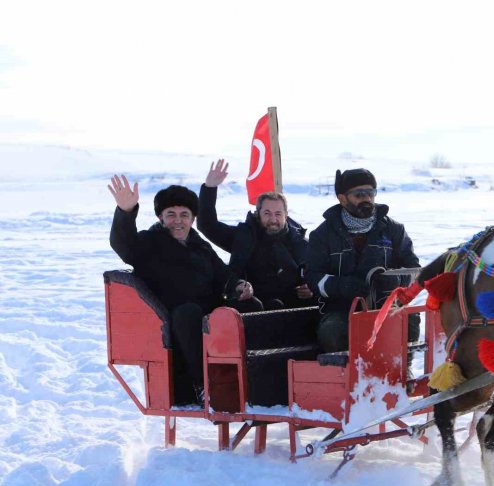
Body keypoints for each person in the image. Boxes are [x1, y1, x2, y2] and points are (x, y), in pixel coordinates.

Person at [107, 175, 254, 406]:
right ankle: (203, 386)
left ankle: (254, 379)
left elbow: (222, 275)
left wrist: (238, 287)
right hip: (173, 319)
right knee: (188, 314)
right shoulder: (149, 243)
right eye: (171, 215)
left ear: (192, 219)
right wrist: (125, 212)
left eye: (184, 215)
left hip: (207, 311)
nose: (178, 221)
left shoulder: (200, 245)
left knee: (251, 308)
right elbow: (123, 246)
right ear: (160, 217)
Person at [305, 168, 420, 353]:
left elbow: (413, 269)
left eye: (370, 193)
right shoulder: (322, 235)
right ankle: (346, 378)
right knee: (333, 330)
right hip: (341, 310)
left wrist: (391, 281)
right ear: (342, 199)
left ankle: (401, 374)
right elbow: (312, 277)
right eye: (359, 194)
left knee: (410, 321)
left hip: (386, 305)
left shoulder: (394, 230)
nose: (366, 199)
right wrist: (342, 286)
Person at [197, 159, 314, 310]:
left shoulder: (301, 242)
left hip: (291, 307)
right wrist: (209, 188)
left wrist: (311, 289)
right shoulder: (243, 236)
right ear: (258, 214)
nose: (273, 219)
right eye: (267, 213)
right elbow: (207, 225)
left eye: (278, 214)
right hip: (253, 306)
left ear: (286, 215)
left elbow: (316, 275)